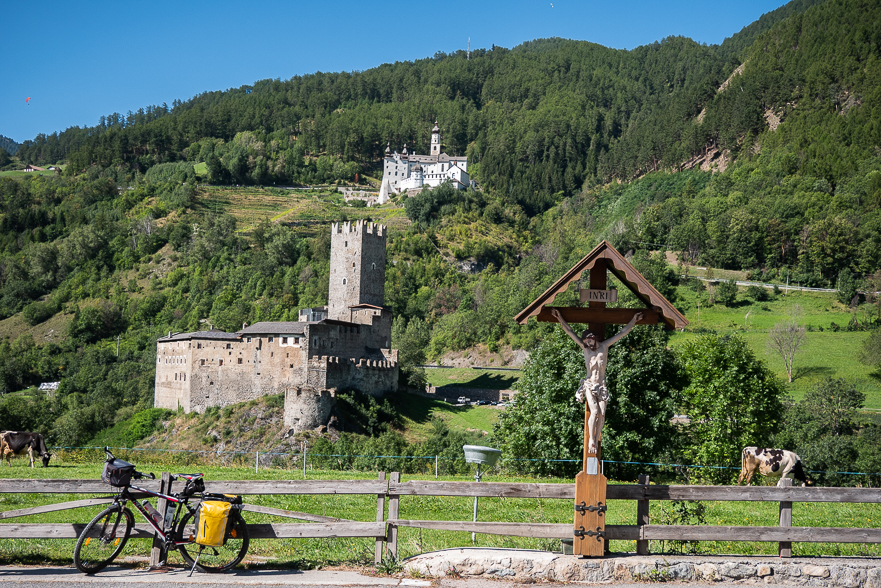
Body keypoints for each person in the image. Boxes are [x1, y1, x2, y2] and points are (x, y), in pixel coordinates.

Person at [550, 308, 644, 454]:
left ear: (595, 338)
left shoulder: (604, 346)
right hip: (589, 384)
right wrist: (560, 317)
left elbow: (622, 333)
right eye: (586, 341)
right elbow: (569, 331)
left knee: (602, 413)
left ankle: (597, 436)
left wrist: (634, 320)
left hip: (602, 385)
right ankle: (591, 441)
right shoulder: (585, 349)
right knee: (594, 411)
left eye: (590, 340)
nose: (588, 343)